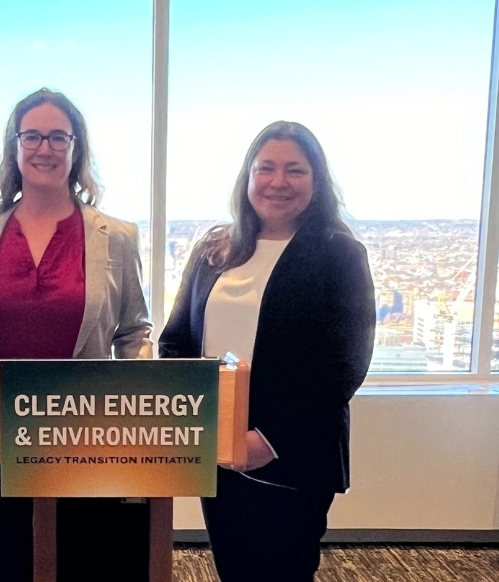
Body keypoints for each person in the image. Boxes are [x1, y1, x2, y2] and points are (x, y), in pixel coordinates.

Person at [0, 88, 152, 582]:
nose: (45, 148)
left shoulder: (116, 236)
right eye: (32, 136)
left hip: (87, 437)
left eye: (58, 136)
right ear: (14, 149)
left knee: (87, 567)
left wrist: (142, 427)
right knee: (10, 567)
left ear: (76, 148)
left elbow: (134, 332)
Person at [159, 121, 375, 581]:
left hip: (292, 454)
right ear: (248, 177)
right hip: (218, 447)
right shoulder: (214, 249)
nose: (279, 182)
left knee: (284, 570)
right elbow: (175, 341)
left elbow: (344, 365)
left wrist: (271, 438)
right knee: (234, 568)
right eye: (266, 168)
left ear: (316, 181)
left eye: (295, 170)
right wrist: (195, 422)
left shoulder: (340, 254)